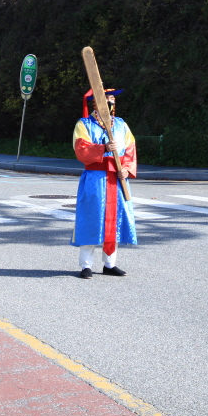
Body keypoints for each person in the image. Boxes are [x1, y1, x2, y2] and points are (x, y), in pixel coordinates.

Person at [72, 88, 136, 279]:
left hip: (116, 178)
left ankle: (110, 263)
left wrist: (126, 168)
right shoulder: (84, 124)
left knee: (114, 221)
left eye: (113, 97)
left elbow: (130, 148)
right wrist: (103, 147)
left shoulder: (121, 124)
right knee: (91, 219)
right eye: (108, 97)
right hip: (95, 178)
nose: (112, 99)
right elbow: (80, 148)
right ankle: (86, 265)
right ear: (97, 101)